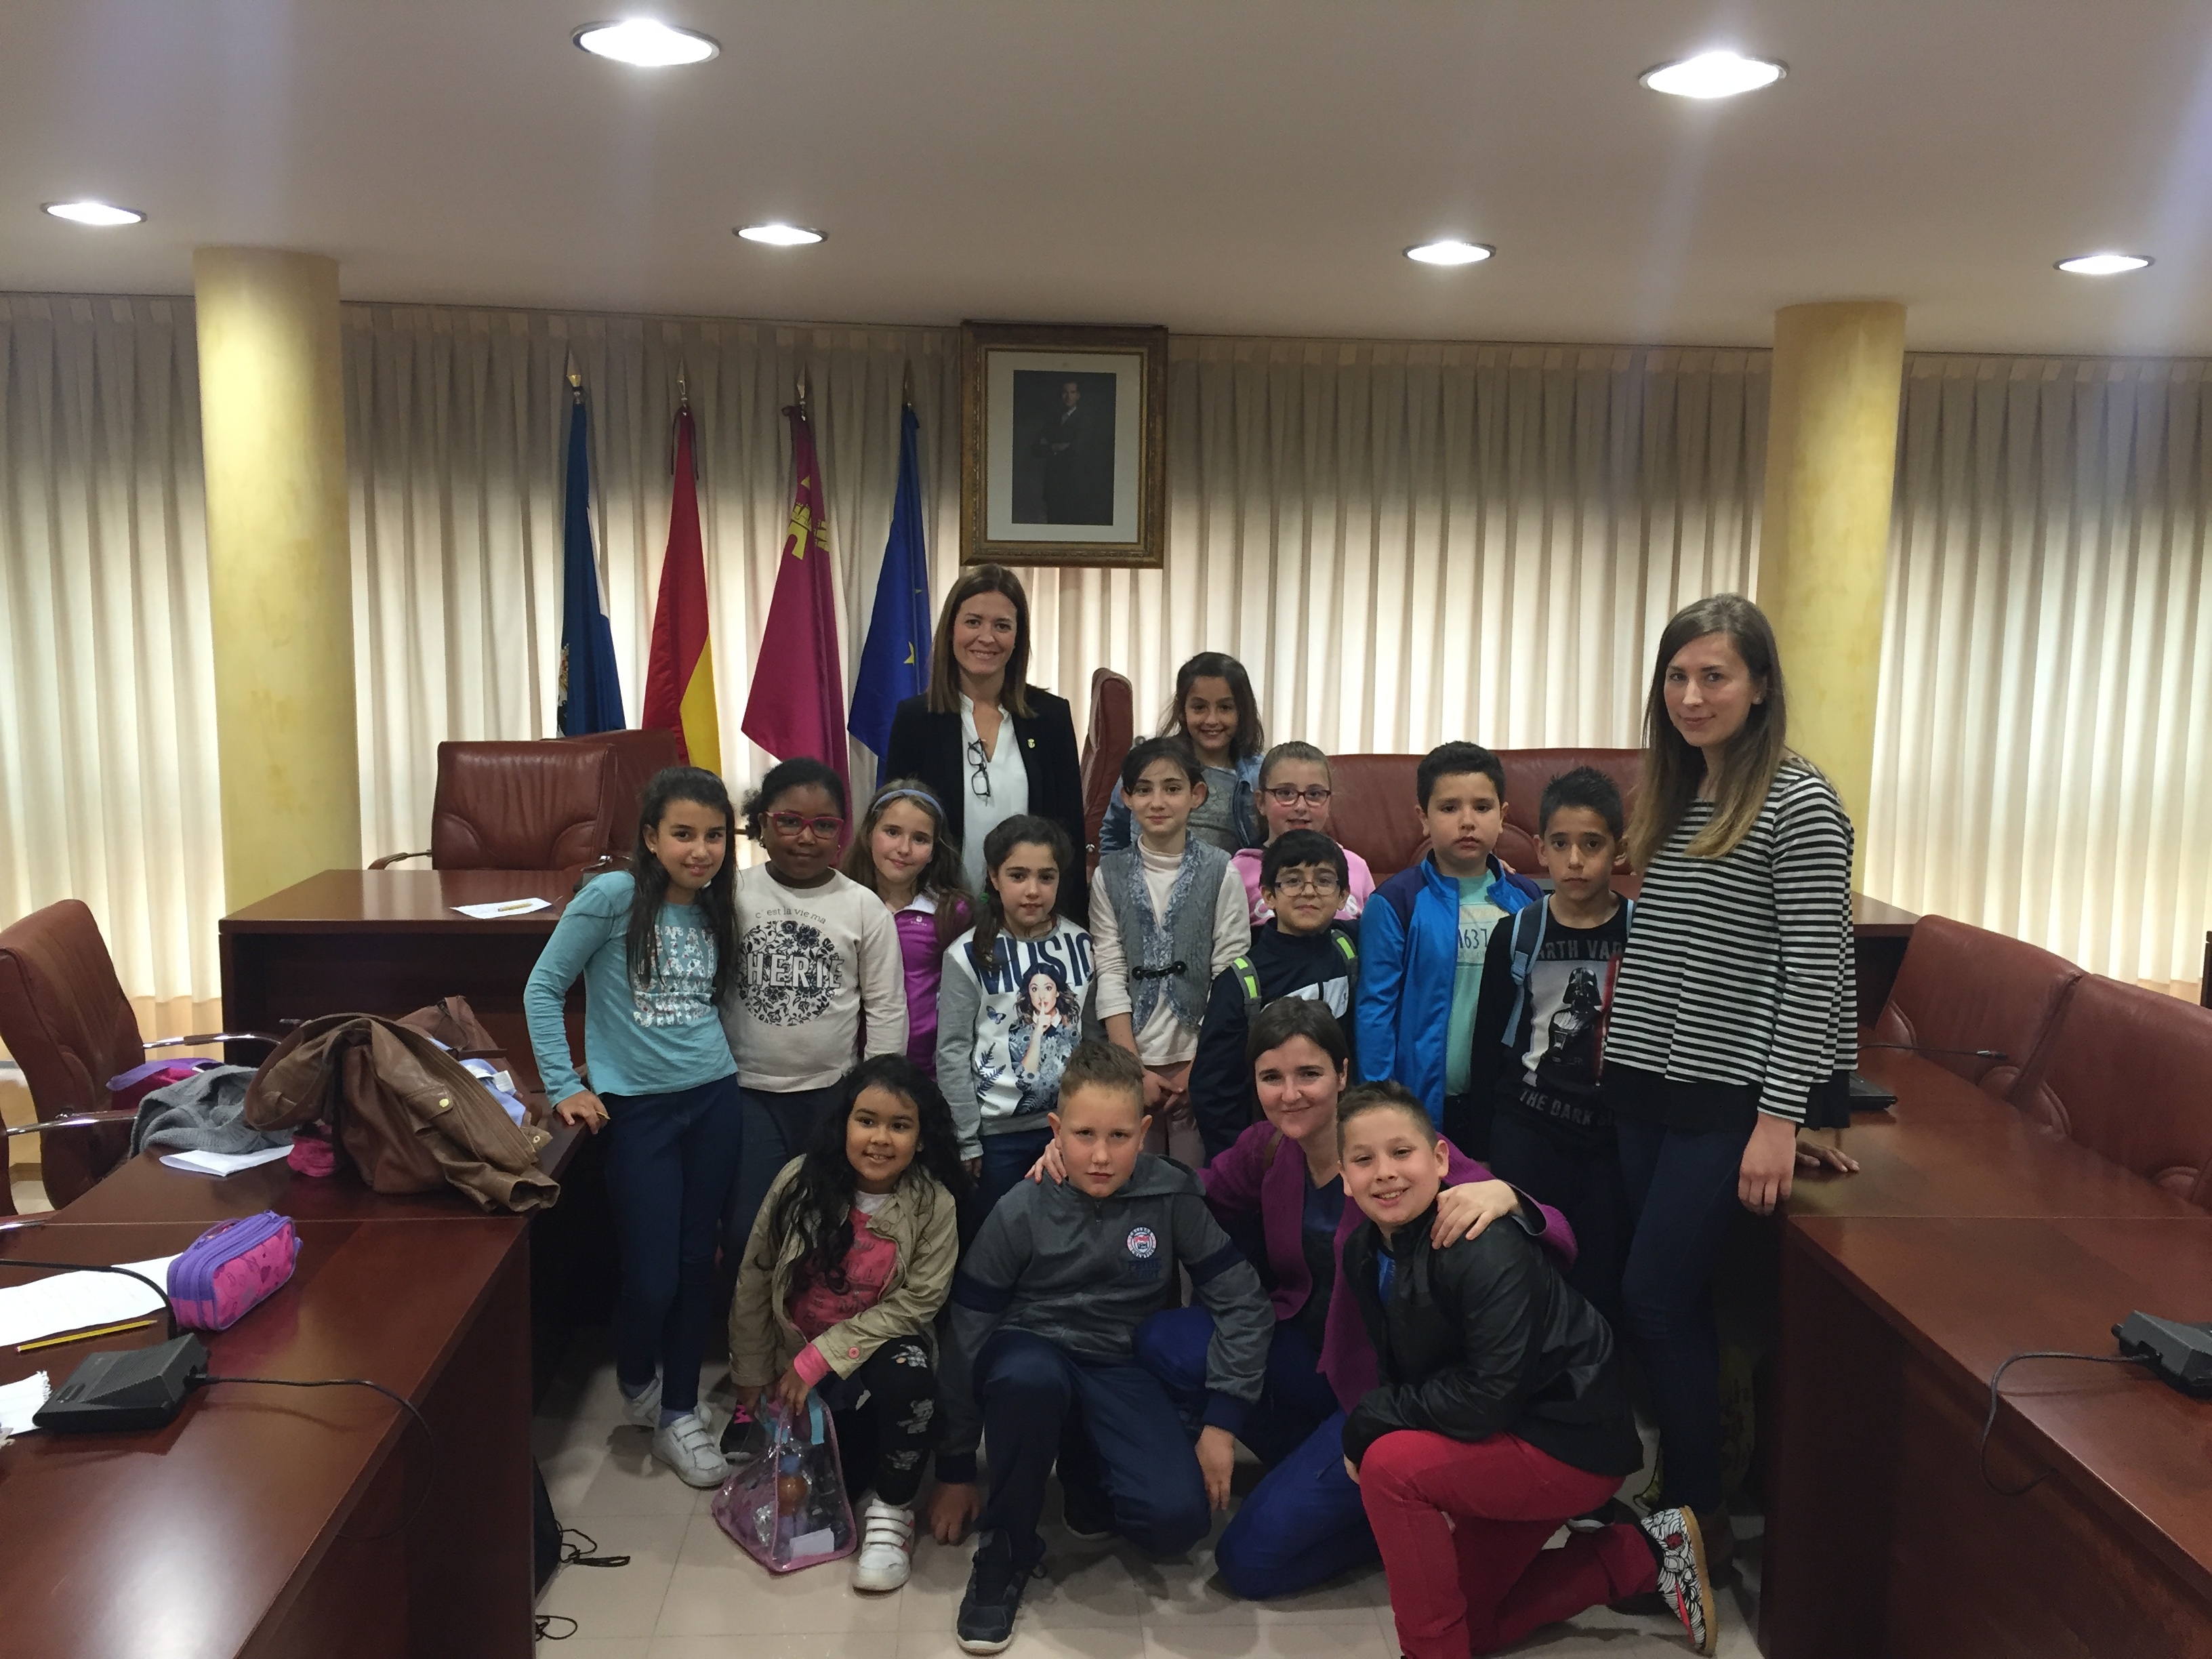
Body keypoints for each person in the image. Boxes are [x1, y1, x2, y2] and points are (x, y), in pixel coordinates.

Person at [1031, 1000, 1579, 1600]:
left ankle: (1408, 1506)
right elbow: (1188, 1193)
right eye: (1272, 1077)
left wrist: (1508, 1197)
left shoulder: (1387, 1147)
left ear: (1342, 1074)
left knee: (1249, 1563)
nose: (1290, 1094)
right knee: (1167, 1339)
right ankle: (1308, 1471)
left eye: (1309, 1074)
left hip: (1383, 1389)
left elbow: (1556, 1233)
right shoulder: (1269, 1149)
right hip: (1304, 1355)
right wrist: (1085, 1161)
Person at [1601, 593, 1860, 1578]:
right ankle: (1687, 1480)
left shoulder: (1799, 800)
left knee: (1654, 1296)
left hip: (1726, 1091)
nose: (1692, 696)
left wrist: (1787, 1115)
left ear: (1759, 687)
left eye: (1715, 676)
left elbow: (1817, 965)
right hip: (1647, 1079)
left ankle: (1696, 1515)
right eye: (1677, 676)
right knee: (1673, 1295)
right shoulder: (1676, 785)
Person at [1337, 1083, 1719, 1658]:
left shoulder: (1482, 1244)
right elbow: (1403, 1369)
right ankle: (1648, 1555)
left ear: (1439, 1158)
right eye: (1364, 1160)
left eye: (1401, 1152)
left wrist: (1371, 1421)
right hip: (1498, 1435)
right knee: (1468, 1625)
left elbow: (1488, 1395)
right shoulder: (1365, 1251)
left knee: (1390, 1466)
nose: (1385, 1172)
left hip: (1566, 1443)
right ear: (1345, 1177)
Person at [928, 1041, 1272, 1655]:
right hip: (1033, 1351)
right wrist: (955, 1468)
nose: (1102, 1155)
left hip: (1119, 1365)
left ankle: (1086, 1469)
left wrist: (1223, 1421)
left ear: (1144, 1131)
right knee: (1028, 1380)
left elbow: (1244, 1302)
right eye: (1083, 1134)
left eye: (1119, 1136)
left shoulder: (1171, 1197)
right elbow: (967, 1335)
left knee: (1175, 1523)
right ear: (1055, 1130)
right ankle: (1006, 1550)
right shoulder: (1020, 1208)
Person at [523, 766, 743, 1487]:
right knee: (652, 1277)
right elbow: (543, 987)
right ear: (650, 837)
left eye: (715, 836)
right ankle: (638, 1376)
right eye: (683, 834)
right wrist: (564, 1085)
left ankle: (679, 1412)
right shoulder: (613, 897)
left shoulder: (717, 902)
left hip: (714, 1099)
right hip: (641, 1112)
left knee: (696, 1263)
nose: (701, 851)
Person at [726, 1055, 968, 1593]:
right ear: (844, 1125)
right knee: (815, 1498)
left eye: (900, 1126)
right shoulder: (798, 1182)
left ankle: (893, 1511)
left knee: (910, 1380)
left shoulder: (934, 1204)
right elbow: (756, 1273)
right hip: (796, 1359)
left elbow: (919, 1302)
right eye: (867, 1121)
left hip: (875, 1355)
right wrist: (752, 1369)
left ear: (921, 1140)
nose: (880, 1139)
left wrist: (824, 1356)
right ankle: (837, 1452)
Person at [1467, 766, 1636, 1327]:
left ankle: (1596, 1375)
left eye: (1593, 844)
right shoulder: (1516, 933)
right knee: (1525, 1273)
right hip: (1528, 1130)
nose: (1575, 861)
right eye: (1560, 845)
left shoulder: (1643, 933)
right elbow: (1487, 1045)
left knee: (1601, 1277)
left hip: (1610, 1138)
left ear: (1619, 850)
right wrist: (1481, 1148)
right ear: (1540, 849)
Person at [722, 757, 909, 1261]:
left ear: (842, 833)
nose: (806, 838)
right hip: (745, 1093)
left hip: (832, 1095)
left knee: (822, 1223)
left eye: (824, 825)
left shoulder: (863, 907)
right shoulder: (731, 894)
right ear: (762, 823)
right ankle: (748, 1313)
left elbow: (887, 1010)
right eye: (790, 821)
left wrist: (872, 1097)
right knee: (746, 1230)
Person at [1355, 741, 1540, 1158]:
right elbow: (1375, 1010)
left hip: (1508, 1097)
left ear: (1503, 816)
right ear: (1423, 818)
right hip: (1422, 1098)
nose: (1467, 821)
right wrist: (1378, 1100)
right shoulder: (1396, 902)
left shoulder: (1527, 900)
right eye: (1449, 808)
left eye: (1482, 807)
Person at [880, 565, 1088, 922]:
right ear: (951, 630)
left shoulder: (1051, 718)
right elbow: (895, 827)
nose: (987, 637)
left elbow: (1068, 836)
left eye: (1002, 626)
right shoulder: (916, 719)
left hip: (1030, 920)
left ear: (1018, 637)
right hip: (936, 918)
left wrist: (1073, 925)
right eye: (973, 622)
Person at [1092, 736, 1252, 1166]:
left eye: (1172, 788)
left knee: (1192, 1180)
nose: (1158, 802)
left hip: (1200, 1059)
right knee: (1134, 1175)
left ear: (1196, 795)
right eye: (1144, 790)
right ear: (1127, 797)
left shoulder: (1222, 871)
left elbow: (1230, 973)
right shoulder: (1109, 874)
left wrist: (1198, 1069)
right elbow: (1110, 967)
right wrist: (1132, 1066)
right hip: (1132, 1058)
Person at [937, 816, 1098, 1209]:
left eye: (1046, 877)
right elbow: (952, 1050)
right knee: (999, 1233)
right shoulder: (968, 954)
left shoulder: (1083, 945)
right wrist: (966, 1138)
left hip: (1071, 1127)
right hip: (996, 1138)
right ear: (994, 877)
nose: (1032, 890)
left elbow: (1094, 1039)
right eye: (1018, 875)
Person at [1188, 828, 1361, 1161]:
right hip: (1268, 1146)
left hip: (1339, 1138)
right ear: (1268, 896)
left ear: (1343, 897)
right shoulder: (1240, 982)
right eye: (1292, 881)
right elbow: (1213, 1089)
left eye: (1324, 881)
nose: (1308, 891)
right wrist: (1244, 1162)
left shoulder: (1348, 947)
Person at [841, 779, 972, 1067]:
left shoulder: (952, 912)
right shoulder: (841, 904)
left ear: (935, 850)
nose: (904, 848)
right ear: (869, 834)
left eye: (920, 839)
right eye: (892, 832)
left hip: (930, 1069)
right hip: (852, 1067)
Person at [1099, 652, 1267, 855]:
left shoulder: (1259, 775)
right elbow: (1114, 832)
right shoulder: (1148, 760)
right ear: (1182, 710)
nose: (1212, 720)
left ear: (1241, 711)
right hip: (1142, 874)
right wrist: (1114, 872)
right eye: (1199, 707)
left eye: (1225, 707)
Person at [1229, 740, 1378, 924]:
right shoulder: (1237, 872)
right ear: (1261, 802)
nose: (1301, 806)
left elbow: (1373, 934)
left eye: (1314, 794)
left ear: (1329, 803)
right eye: (1285, 793)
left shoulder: (1356, 866)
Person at [1034, 377, 1111, 525]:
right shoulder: (1052, 419)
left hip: (1075, 486)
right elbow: (1036, 449)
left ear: (1078, 395)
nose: (1068, 397)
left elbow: (1077, 449)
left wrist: (1051, 444)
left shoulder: (1086, 420)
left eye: (1072, 392)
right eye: (1065, 392)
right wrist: (1055, 447)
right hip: (1053, 485)